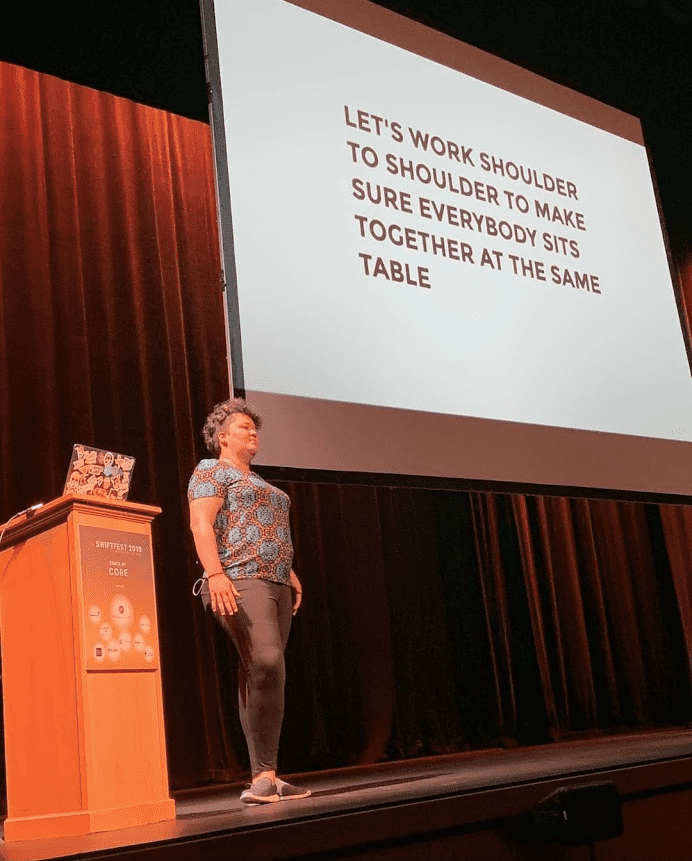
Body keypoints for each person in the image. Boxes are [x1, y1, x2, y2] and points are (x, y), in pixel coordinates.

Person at [188, 398, 311, 804]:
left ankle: (267, 775)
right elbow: (200, 522)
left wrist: (288, 570)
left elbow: (269, 530)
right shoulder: (212, 470)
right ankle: (262, 774)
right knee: (267, 661)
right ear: (222, 437)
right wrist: (215, 573)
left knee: (261, 671)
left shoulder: (260, 481)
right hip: (238, 579)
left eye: (254, 427)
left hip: (274, 581)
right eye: (242, 427)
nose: (252, 431)